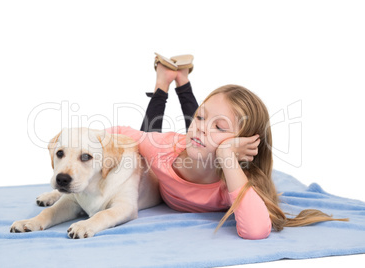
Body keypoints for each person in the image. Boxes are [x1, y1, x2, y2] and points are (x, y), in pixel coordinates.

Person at [108, 53, 347, 240]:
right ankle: (166, 81)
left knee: (205, 134)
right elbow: (119, 133)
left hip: (214, 155)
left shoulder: (236, 179)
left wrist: (226, 157)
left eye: (221, 128)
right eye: (199, 119)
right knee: (148, 134)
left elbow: (255, 231)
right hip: (169, 150)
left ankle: (182, 78)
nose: (200, 127)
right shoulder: (161, 149)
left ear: (242, 143)